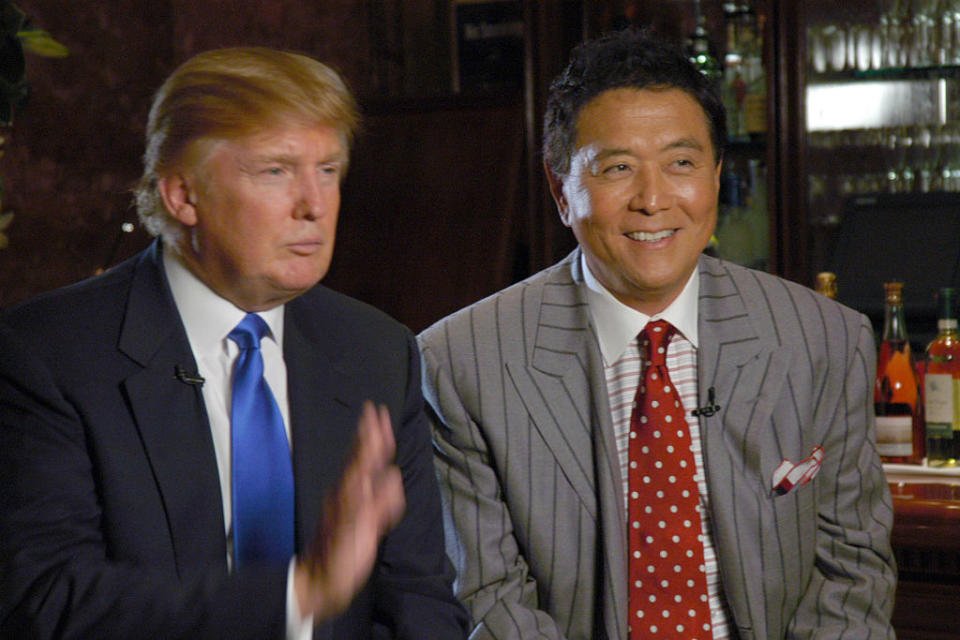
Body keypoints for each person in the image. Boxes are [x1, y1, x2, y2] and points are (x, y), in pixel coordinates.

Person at [419, 28, 896, 640]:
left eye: (682, 164)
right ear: (560, 189)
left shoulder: (825, 339)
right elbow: (487, 597)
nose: (653, 199)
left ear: (717, 178)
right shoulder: (461, 363)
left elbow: (852, 576)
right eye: (618, 168)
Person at [0, 47, 469, 639]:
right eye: (275, 171)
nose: (315, 205)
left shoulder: (376, 349)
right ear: (182, 196)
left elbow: (420, 603)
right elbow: (48, 602)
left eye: (328, 170)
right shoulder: (47, 355)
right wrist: (300, 594)